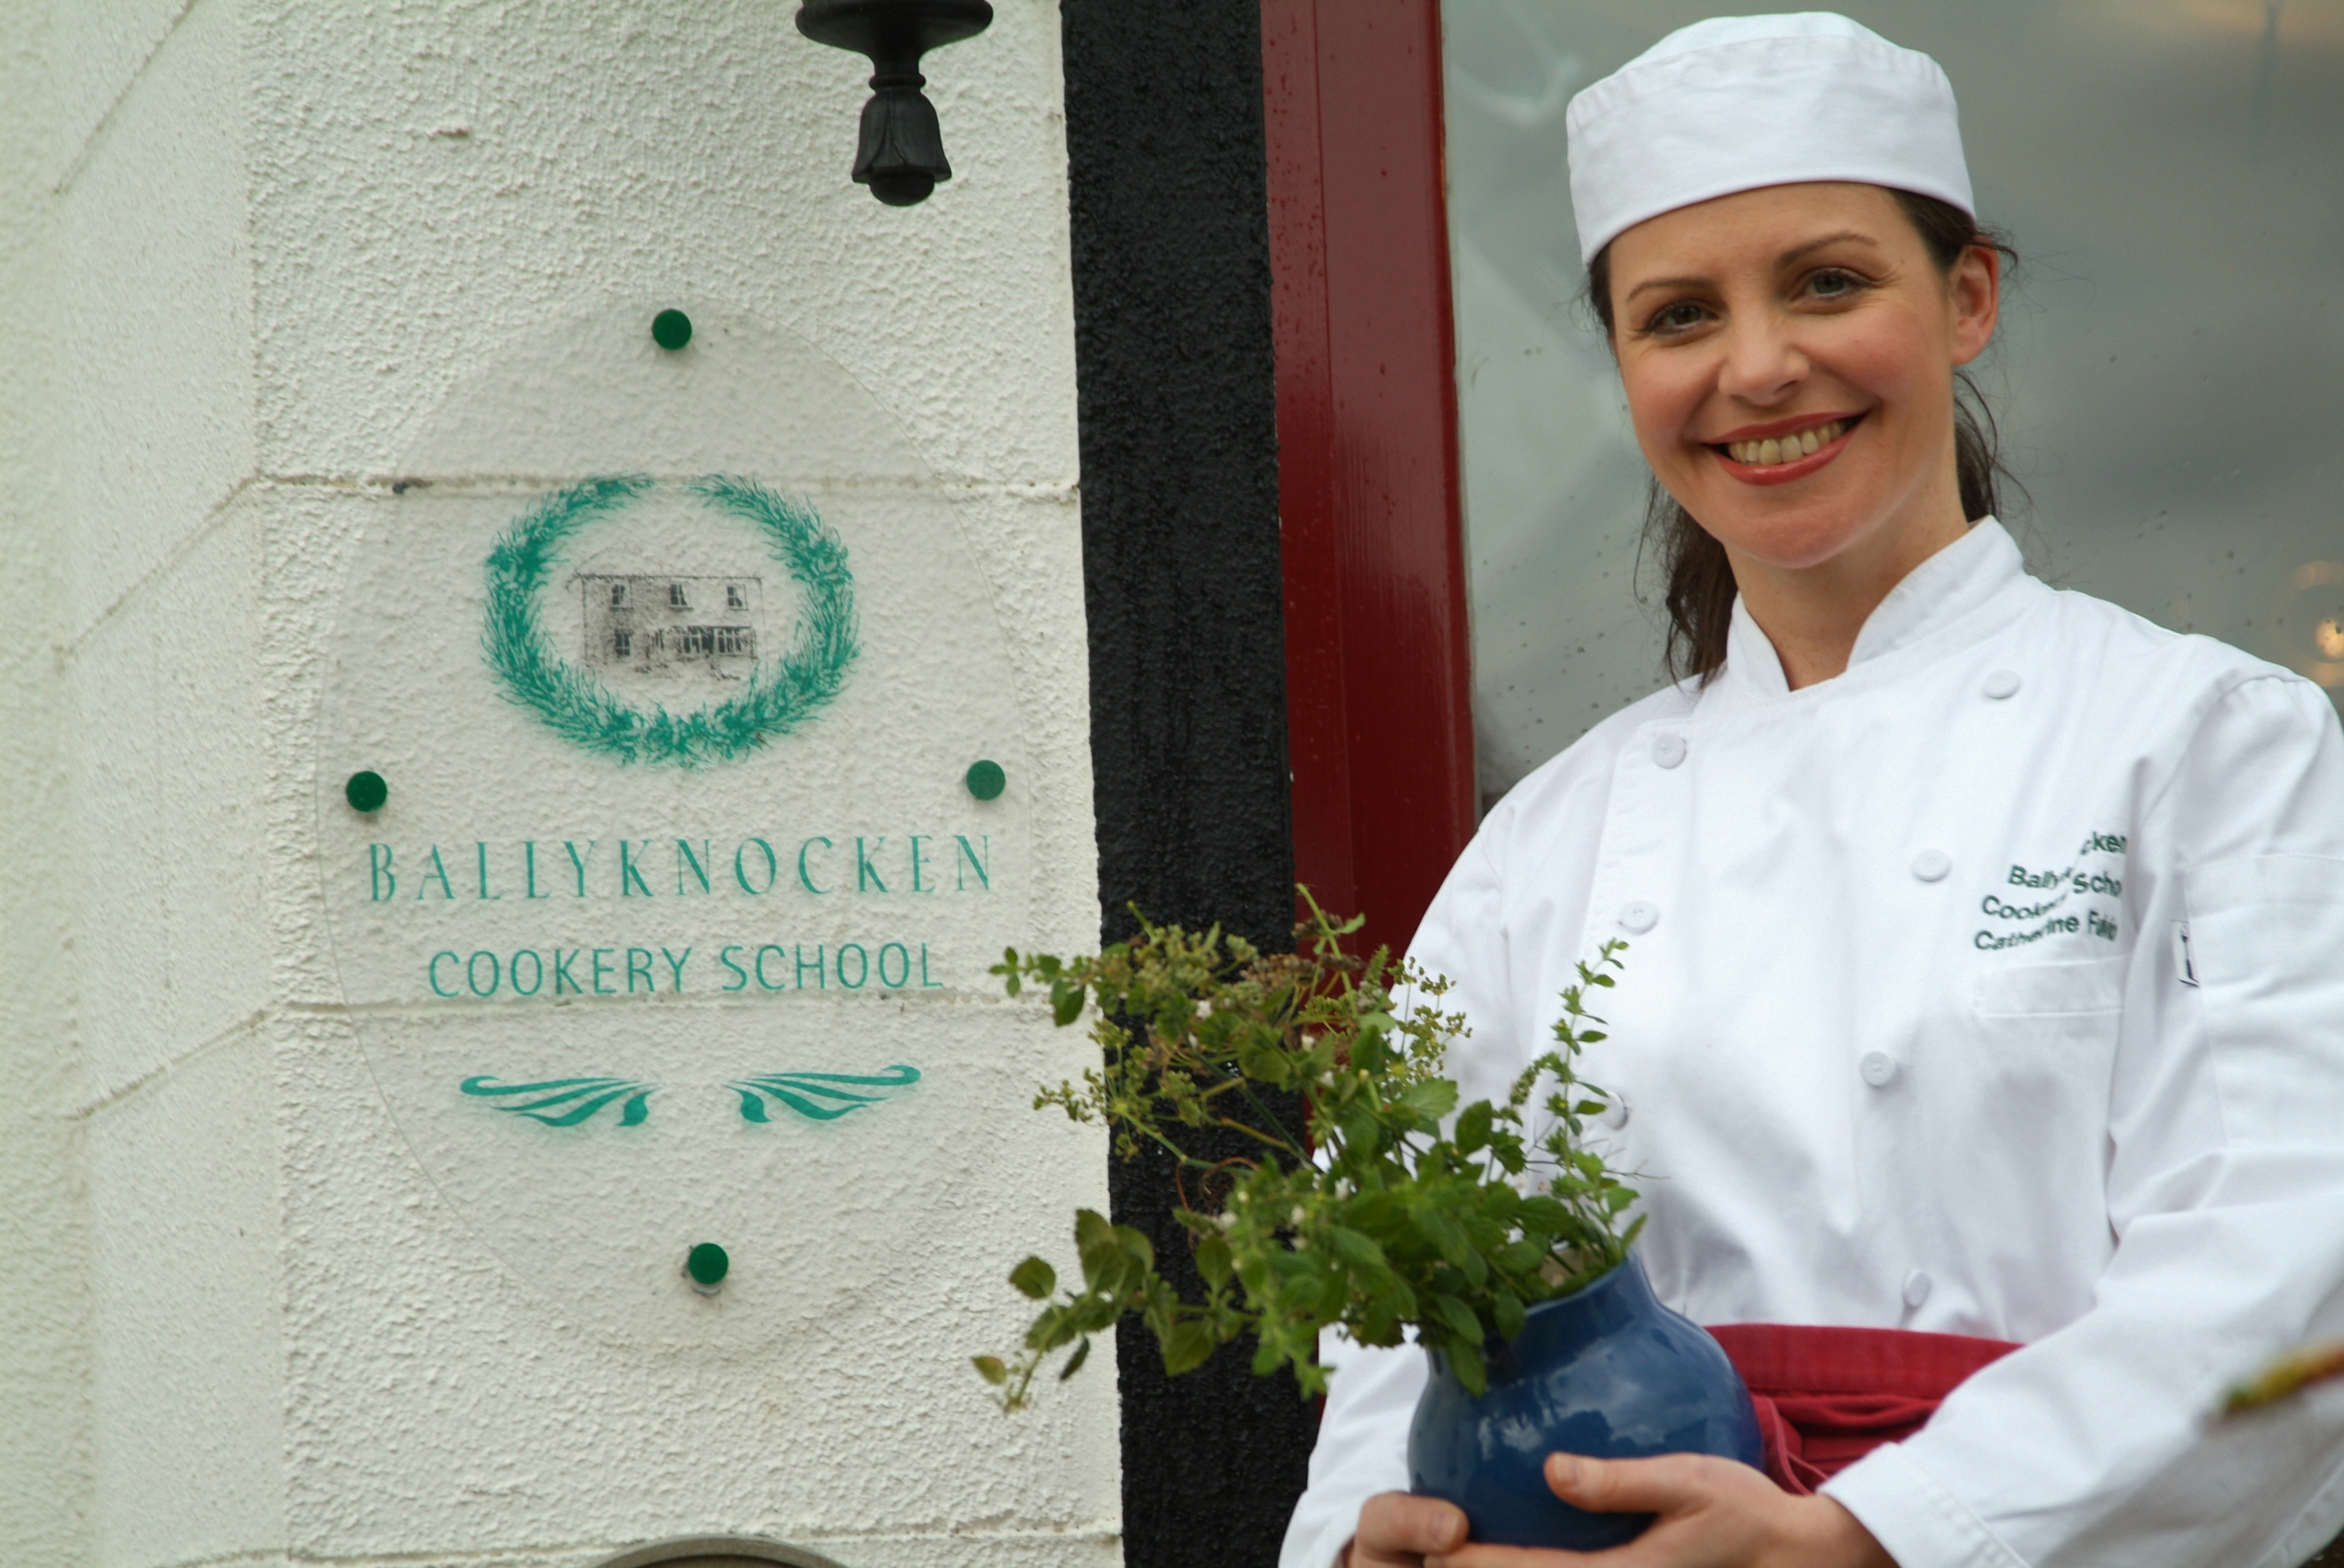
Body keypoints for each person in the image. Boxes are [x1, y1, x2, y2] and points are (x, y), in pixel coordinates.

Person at [1279, 14, 2344, 1568]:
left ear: (1965, 296)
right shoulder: (1546, 842)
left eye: (1828, 282)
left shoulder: (2210, 743)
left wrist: (1870, 1531)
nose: (1758, 366)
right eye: (1677, 315)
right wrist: (1375, 1544)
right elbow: (1392, 1315)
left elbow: (2288, 1255)